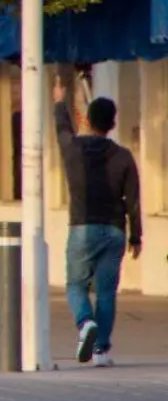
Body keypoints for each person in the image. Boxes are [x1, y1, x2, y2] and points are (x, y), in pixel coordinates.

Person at [54, 77, 143, 366]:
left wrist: (59, 101)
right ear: (112, 125)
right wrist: (136, 236)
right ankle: (101, 350)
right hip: (114, 229)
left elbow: (62, 129)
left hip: (82, 226)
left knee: (76, 285)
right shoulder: (124, 156)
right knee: (106, 292)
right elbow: (133, 200)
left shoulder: (73, 149)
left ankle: (85, 324)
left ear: (87, 119)